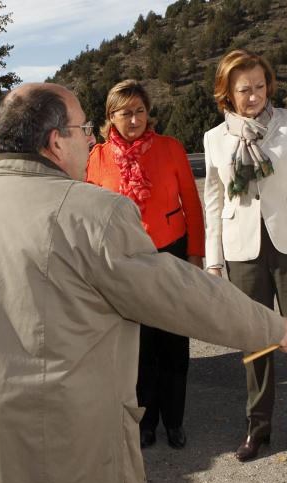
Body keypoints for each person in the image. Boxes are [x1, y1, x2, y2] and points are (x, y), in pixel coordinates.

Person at [0, 82, 287, 483]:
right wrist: (274, 328)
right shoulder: (95, 213)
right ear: (56, 142)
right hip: (73, 453)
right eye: (83, 129)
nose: (90, 139)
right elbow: (182, 295)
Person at [203, 50, 287, 468]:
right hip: (243, 252)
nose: (253, 95)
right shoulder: (214, 139)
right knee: (255, 342)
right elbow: (215, 203)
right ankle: (257, 429)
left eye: (259, 86)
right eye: (244, 89)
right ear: (227, 93)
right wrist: (214, 262)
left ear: (268, 86)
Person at [85, 79, 204, 450]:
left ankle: (175, 421)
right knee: (140, 348)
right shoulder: (97, 157)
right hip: (125, 262)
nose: (134, 119)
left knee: (174, 344)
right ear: (111, 117)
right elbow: (89, 214)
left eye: (140, 111)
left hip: (170, 253)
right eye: (125, 112)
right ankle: (146, 422)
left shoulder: (170, 149)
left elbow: (191, 204)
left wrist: (196, 255)